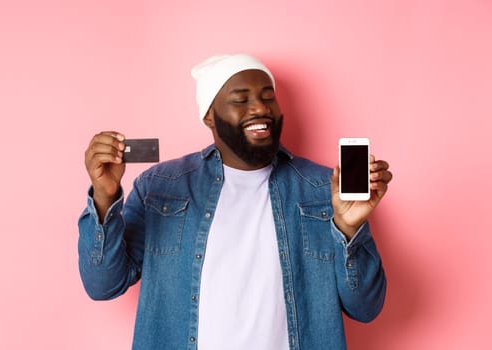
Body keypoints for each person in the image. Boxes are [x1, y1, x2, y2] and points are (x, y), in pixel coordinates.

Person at [78, 54, 393, 350]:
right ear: (209, 117)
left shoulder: (323, 189)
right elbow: (103, 285)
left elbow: (366, 307)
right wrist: (105, 198)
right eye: (241, 100)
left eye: (268, 96)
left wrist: (349, 230)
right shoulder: (161, 186)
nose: (260, 108)